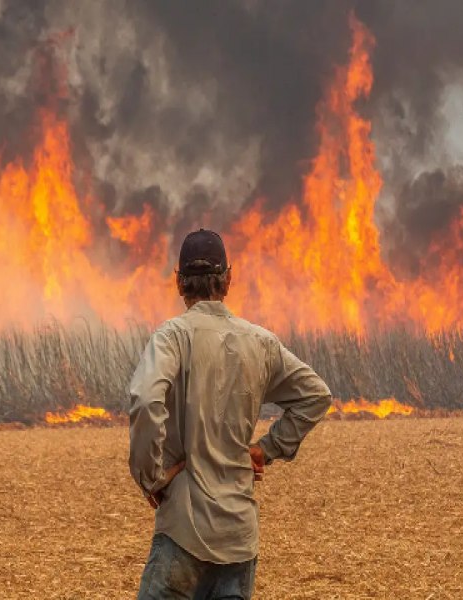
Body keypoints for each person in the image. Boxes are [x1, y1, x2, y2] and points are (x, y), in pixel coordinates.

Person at [129, 229, 332, 600]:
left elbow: (145, 399)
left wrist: (151, 477)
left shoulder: (172, 338)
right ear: (229, 279)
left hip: (183, 531)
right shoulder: (260, 343)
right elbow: (316, 395)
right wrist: (266, 448)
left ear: (179, 283)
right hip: (239, 537)